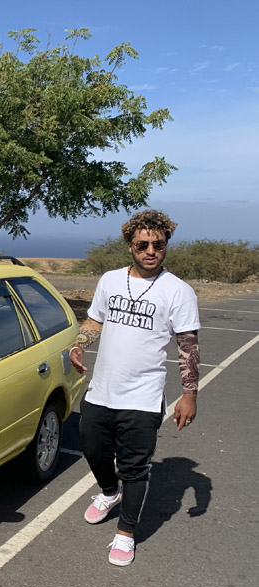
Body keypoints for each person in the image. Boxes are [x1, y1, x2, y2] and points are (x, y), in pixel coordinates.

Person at [69, 210, 200, 567]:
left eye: (158, 244)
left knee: (135, 468)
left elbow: (187, 345)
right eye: (142, 244)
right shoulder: (110, 280)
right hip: (101, 391)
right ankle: (109, 493)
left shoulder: (178, 291)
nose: (151, 250)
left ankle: (126, 533)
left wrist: (189, 395)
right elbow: (96, 319)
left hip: (142, 397)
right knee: (93, 450)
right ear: (130, 245)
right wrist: (81, 343)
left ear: (166, 245)